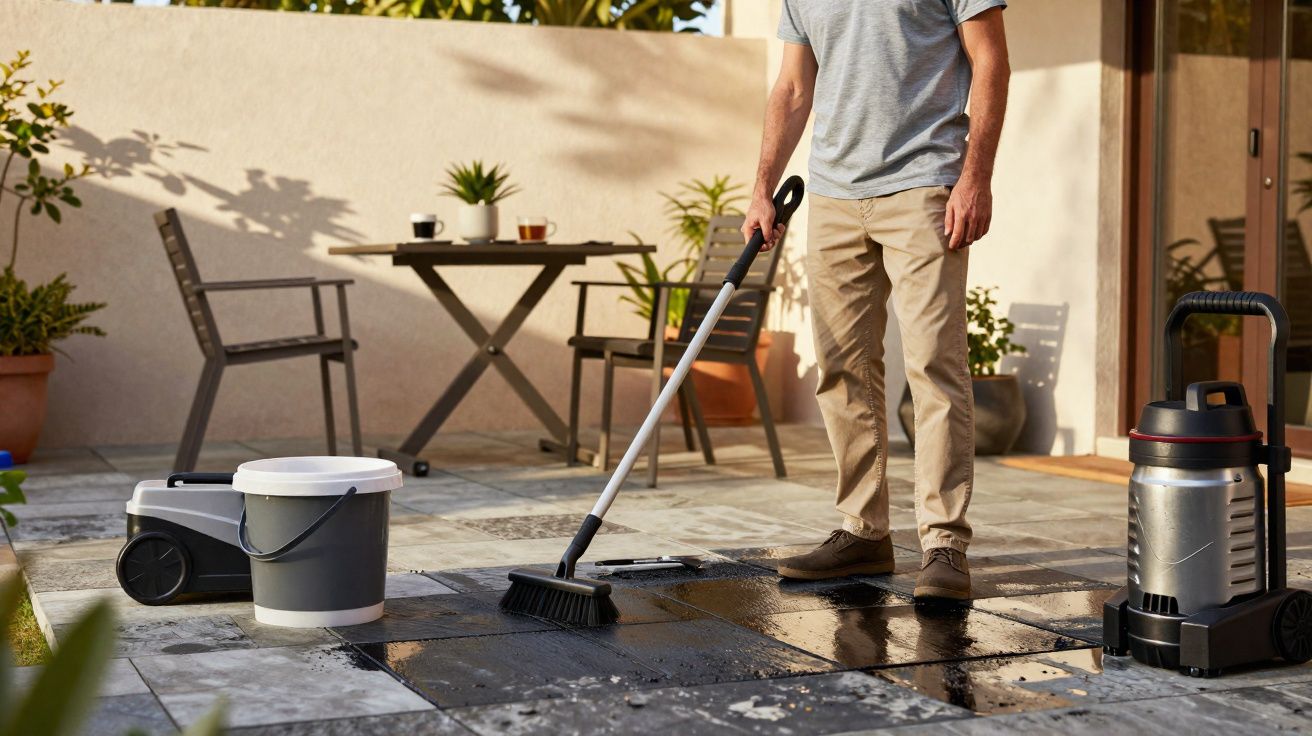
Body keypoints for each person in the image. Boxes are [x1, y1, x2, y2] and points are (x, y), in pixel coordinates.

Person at [745, 0, 1010, 600]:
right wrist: (762, 188)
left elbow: (990, 60)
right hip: (833, 194)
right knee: (842, 369)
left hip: (925, 184)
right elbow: (792, 87)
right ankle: (864, 530)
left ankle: (944, 543)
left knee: (935, 365)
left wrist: (976, 177)